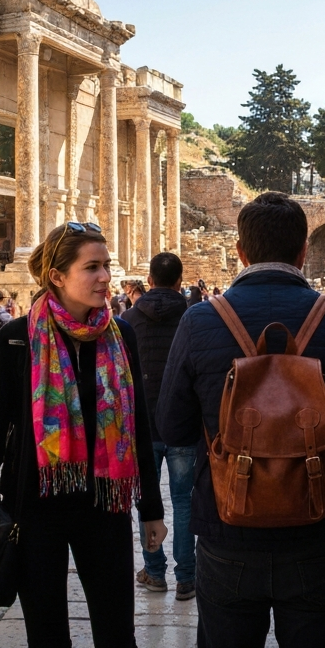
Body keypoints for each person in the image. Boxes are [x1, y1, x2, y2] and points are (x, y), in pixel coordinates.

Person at [156, 191, 325, 648]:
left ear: (238, 252)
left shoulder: (199, 322)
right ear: (305, 252)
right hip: (318, 533)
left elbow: (172, 426)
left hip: (229, 533)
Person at [0, 222, 166, 648]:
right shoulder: (15, 340)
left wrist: (151, 509)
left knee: (118, 641)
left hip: (104, 507)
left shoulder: (121, 335)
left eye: (106, 265)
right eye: (92, 267)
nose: (105, 277)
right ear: (56, 275)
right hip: (36, 513)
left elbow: (137, 426)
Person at [122, 252, 195, 599]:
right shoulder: (195, 317)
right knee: (183, 500)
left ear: (148, 281)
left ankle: (154, 571)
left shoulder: (128, 320)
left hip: (142, 425)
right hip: (182, 423)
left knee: (146, 501)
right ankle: (187, 576)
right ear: (180, 282)